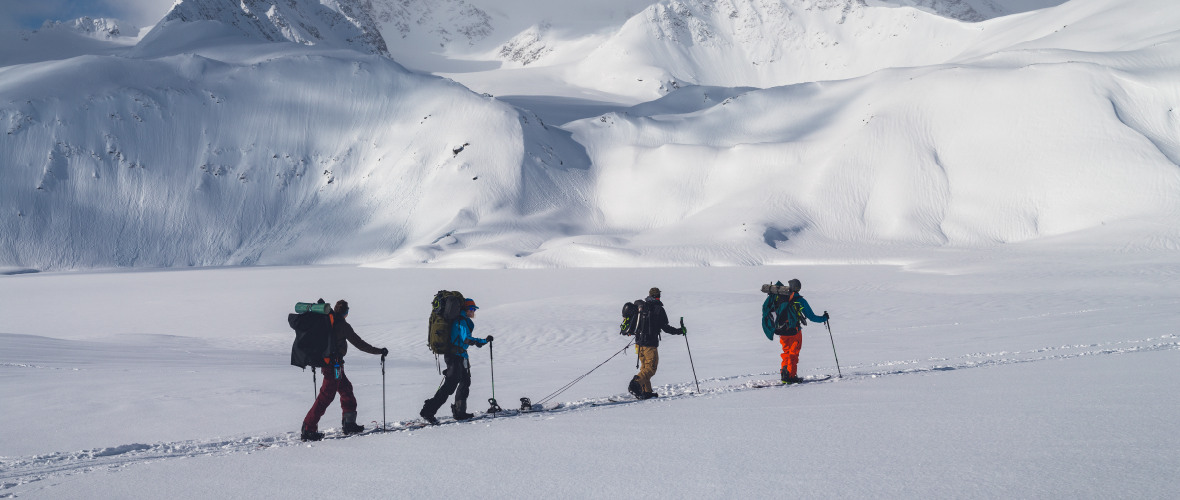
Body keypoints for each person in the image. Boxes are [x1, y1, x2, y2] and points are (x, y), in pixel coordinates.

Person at [301, 300, 389, 441]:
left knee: (346, 390)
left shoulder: (328, 321)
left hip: (334, 365)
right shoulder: (342, 325)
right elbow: (359, 344)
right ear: (346, 312)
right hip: (333, 366)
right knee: (326, 397)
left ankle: (349, 423)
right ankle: (308, 428)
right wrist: (379, 351)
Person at [419, 298, 492, 424]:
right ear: (465, 309)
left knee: (465, 382)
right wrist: (483, 341)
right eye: (471, 309)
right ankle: (428, 411)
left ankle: (460, 412)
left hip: (461, 355)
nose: (473, 311)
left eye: (474, 309)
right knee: (450, 386)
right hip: (454, 356)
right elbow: (466, 339)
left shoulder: (464, 320)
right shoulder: (461, 321)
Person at [628, 287, 685, 400]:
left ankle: (647, 392)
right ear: (658, 296)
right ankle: (636, 384)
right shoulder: (659, 309)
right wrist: (680, 331)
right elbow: (666, 328)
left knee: (645, 367)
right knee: (651, 368)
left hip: (638, 344)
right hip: (650, 345)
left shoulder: (641, 307)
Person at [771, 279, 828, 384]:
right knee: (793, 354)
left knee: (786, 353)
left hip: (782, 331)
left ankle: (784, 375)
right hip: (794, 331)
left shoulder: (780, 298)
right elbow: (812, 317)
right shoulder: (800, 300)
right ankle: (791, 378)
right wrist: (824, 318)